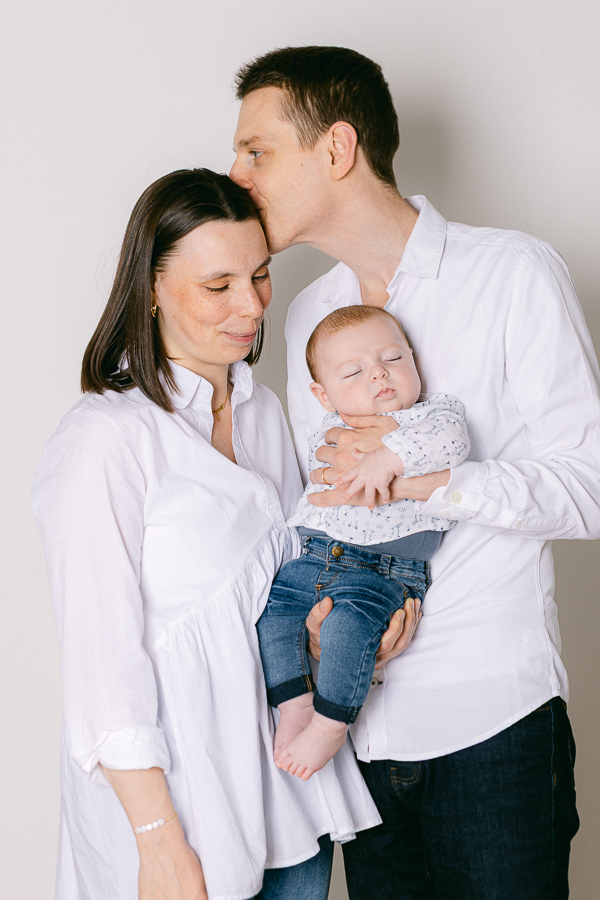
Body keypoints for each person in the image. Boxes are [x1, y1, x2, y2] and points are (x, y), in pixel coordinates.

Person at [230, 46, 600, 898]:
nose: (237, 174)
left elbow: (585, 488)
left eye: (258, 151)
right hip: (359, 740)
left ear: (337, 148)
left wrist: (421, 480)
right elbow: (324, 505)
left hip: (494, 727)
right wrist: (319, 621)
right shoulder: (308, 318)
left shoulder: (511, 273)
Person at [31, 168, 412, 900]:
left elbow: (292, 580)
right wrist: (157, 839)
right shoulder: (105, 438)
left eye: (261, 275)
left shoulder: (270, 413)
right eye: (218, 286)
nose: (250, 306)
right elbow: (100, 660)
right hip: (170, 809)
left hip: (283, 791)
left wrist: (360, 626)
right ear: (150, 287)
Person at [257, 305, 469, 781]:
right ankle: (294, 705)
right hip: (312, 558)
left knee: (348, 628)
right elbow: (321, 471)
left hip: (384, 570)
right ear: (323, 394)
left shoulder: (433, 416)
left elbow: (452, 444)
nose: (378, 374)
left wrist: (389, 455)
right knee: (272, 618)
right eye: (354, 371)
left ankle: (331, 724)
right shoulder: (329, 430)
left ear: (414, 361)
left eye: (393, 359)